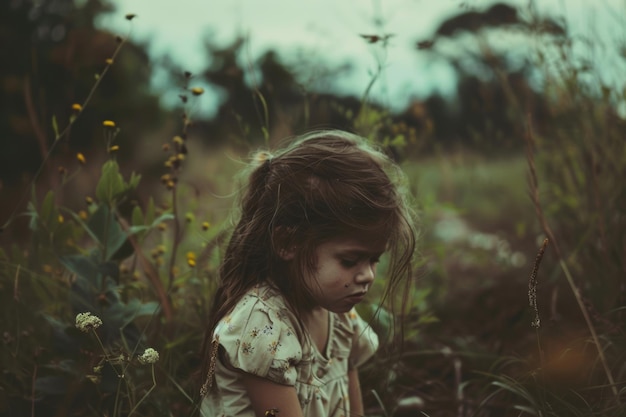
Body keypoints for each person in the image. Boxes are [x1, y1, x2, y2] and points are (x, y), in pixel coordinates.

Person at [198, 130, 416, 417]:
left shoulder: (339, 317)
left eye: (374, 259)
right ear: (288, 243)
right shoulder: (262, 325)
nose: (367, 276)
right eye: (350, 261)